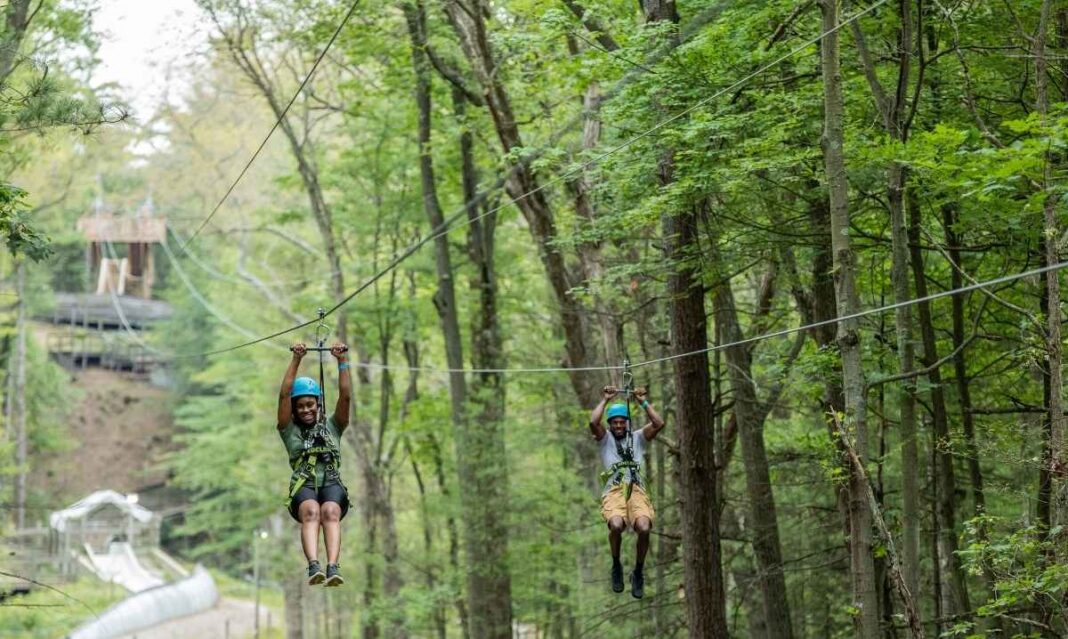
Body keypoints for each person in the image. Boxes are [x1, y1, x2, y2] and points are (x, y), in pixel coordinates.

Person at [278, 342, 351, 586]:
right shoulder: (289, 431)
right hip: (305, 484)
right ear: (295, 411)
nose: (306, 409)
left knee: (330, 512)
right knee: (312, 512)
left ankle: (333, 566)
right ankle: (314, 565)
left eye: (310, 404)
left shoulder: (333, 426)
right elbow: (284, 395)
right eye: (300, 407)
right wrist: (296, 360)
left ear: (318, 404)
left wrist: (342, 362)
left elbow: (346, 396)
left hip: (331, 481)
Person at [589, 384, 666, 599]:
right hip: (614, 490)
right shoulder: (605, 440)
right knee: (615, 524)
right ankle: (616, 565)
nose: (619, 425)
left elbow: (659, 423)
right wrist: (605, 400)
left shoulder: (639, 437)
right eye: (615, 423)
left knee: (643, 527)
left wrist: (642, 401)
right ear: (611, 425)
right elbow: (593, 422)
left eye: (622, 422)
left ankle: (638, 572)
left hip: (637, 490)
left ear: (627, 423)